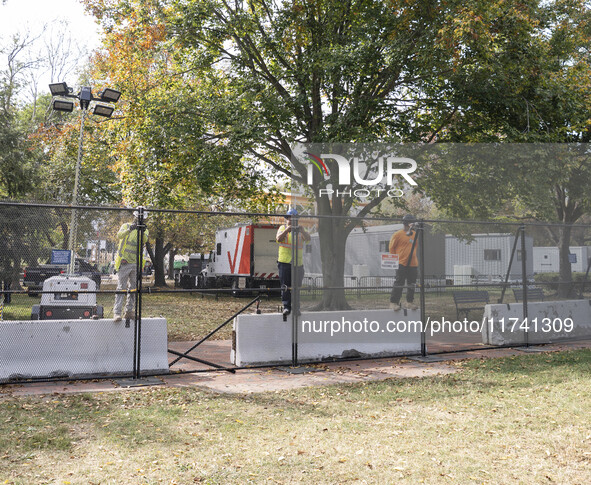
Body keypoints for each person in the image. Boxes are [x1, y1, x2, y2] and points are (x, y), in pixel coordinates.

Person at [113, 211, 150, 322]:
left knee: (133, 289)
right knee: (121, 288)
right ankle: (117, 313)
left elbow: (144, 240)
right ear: (135, 216)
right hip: (124, 262)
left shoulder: (145, 230)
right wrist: (131, 229)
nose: (140, 219)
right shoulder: (126, 226)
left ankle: (129, 312)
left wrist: (142, 231)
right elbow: (119, 235)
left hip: (136, 263)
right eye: (139, 217)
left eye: (142, 218)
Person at [276, 208, 310, 316]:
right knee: (285, 286)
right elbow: (278, 239)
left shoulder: (300, 230)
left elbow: (308, 239)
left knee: (297, 287)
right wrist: (287, 231)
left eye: (295, 219)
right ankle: (286, 307)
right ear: (286, 219)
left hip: (298, 264)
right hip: (284, 262)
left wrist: (302, 231)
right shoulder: (282, 228)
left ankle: (296, 308)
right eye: (290, 219)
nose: (292, 221)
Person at [389, 214, 419, 311]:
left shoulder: (414, 234)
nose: (413, 225)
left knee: (412, 283)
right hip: (401, 263)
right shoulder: (397, 235)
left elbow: (415, 247)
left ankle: (409, 302)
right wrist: (397, 259)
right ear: (407, 223)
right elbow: (391, 249)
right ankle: (394, 303)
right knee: (399, 282)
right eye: (412, 223)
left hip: (413, 263)